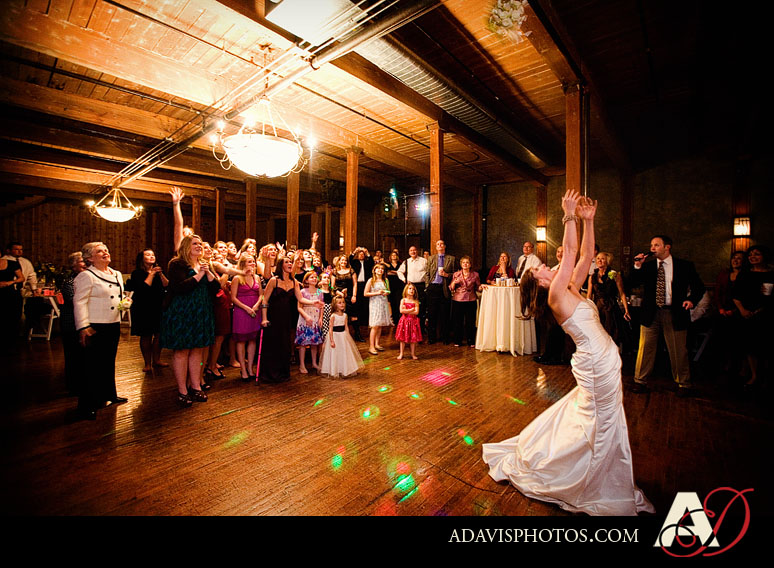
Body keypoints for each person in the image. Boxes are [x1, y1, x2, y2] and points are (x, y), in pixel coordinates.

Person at [482, 189, 654, 516]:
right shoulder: (556, 296)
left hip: (600, 361)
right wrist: (568, 215)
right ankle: (591, 479)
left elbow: (586, 257)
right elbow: (572, 250)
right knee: (600, 423)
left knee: (599, 420)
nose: (547, 267)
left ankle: (582, 466)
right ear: (542, 285)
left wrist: (589, 221)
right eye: (541, 271)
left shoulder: (570, 286)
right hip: (595, 363)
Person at [630, 235, 704, 396]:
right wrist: (637, 266)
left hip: (675, 312)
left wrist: (691, 300)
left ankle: (683, 384)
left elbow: (699, 287)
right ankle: (640, 381)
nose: (652, 248)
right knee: (645, 348)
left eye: (656, 245)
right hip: (651, 313)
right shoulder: (648, 267)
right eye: (651, 245)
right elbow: (632, 283)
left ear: (667, 247)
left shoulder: (684, 266)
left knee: (678, 350)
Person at [161, 234, 221, 407]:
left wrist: (207, 272)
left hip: (201, 310)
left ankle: (195, 385)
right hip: (183, 311)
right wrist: (199, 275)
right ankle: (182, 390)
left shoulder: (205, 264)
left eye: (200, 244)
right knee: (182, 351)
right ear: (186, 246)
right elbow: (179, 287)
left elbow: (215, 289)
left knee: (197, 349)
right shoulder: (177, 264)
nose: (199, 246)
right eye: (195, 243)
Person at [73, 242, 129, 420]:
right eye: (100, 251)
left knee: (108, 362)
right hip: (94, 326)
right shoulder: (86, 276)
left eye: (106, 250)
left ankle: (109, 394)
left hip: (112, 323)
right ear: (89, 258)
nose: (105, 253)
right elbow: (79, 302)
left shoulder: (117, 274)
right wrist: (83, 326)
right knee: (91, 366)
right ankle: (87, 405)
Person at [259, 257, 323, 383]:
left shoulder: (294, 281)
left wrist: (313, 302)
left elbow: (300, 299)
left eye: (290, 262)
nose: (290, 264)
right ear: (281, 265)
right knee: (273, 344)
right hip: (273, 317)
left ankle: (283, 373)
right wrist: (264, 318)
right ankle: (270, 374)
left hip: (286, 317)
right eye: (287, 262)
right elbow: (264, 300)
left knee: (284, 344)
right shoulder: (274, 280)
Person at [732, 245, 773, 391]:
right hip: (746, 312)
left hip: (765, 313)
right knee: (750, 345)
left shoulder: (771, 273)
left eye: (757, 254)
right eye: (750, 254)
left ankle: (766, 376)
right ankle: (754, 375)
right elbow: (735, 295)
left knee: (765, 346)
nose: (753, 257)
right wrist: (743, 310)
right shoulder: (744, 274)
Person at [127, 249, 169, 372]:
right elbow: (144, 288)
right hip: (143, 307)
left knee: (159, 334)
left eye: (153, 255)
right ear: (142, 258)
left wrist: (160, 274)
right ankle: (147, 363)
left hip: (158, 306)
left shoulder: (159, 271)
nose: (151, 256)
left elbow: (167, 285)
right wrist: (151, 274)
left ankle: (157, 360)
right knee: (146, 335)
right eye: (148, 255)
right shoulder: (137, 273)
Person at [586, 251, 631, 349]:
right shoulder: (592, 277)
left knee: (613, 334)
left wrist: (626, 310)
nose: (600, 261)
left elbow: (622, 293)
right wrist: (588, 309)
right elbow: (589, 295)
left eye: (602, 259)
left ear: (608, 261)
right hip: (598, 308)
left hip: (611, 307)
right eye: (598, 258)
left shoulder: (614, 275)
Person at [230, 254, 262, 381]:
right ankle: (243, 369)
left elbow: (261, 295)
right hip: (241, 311)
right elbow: (233, 297)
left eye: (253, 261)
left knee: (253, 340)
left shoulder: (257, 278)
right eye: (250, 262)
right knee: (241, 340)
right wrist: (246, 308)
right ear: (243, 264)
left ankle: (250, 368)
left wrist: (256, 305)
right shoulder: (237, 278)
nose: (253, 264)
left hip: (255, 310)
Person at [59, 252, 86, 394]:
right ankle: (73, 386)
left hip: (82, 322)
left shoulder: (86, 279)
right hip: (71, 323)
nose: (85, 264)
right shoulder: (69, 282)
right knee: (72, 356)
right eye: (81, 261)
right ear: (73, 265)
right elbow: (75, 302)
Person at [319, 295, 364, 378]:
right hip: (335, 336)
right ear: (335, 305)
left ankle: (344, 369)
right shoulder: (333, 316)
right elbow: (330, 329)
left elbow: (346, 326)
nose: (342, 304)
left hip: (343, 336)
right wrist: (331, 340)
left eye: (343, 302)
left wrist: (348, 337)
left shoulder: (345, 315)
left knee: (343, 352)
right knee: (335, 353)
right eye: (339, 303)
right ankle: (334, 369)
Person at [424, 239, 455, 344]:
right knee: (432, 314)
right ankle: (431, 338)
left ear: (444, 246)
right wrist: (428, 286)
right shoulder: (431, 258)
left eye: (441, 244)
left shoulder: (451, 259)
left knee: (444, 314)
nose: (440, 245)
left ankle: (445, 338)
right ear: (436, 247)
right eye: (438, 244)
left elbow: (455, 274)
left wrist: (447, 275)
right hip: (433, 288)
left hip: (444, 288)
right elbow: (427, 273)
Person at [295, 271, 324, 374]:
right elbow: (299, 307)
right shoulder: (302, 292)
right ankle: (302, 365)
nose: (314, 279)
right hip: (305, 319)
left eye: (316, 277)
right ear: (306, 280)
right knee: (303, 343)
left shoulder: (319, 292)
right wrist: (306, 317)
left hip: (315, 318)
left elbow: (321, 307)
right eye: (312, 277)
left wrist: (320, 318)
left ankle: (314, 363)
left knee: (314, 343)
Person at [449, 256, 480, 347]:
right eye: (463, 262)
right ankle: (457, 340)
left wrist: (481, 287)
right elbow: (451, 287)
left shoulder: (475, 274)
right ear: (461, 264)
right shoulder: (456, 274)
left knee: (470, 321)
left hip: (471, 299)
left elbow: (478, 287)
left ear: (470, 264)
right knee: (458, 321)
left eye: (467, 262)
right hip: (458, 299)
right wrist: (454, 282)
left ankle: (471, 340)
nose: (465, 264)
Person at [397, 245, 427, 334]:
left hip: (421, 286)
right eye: (411, 250)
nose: (413, 252)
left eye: (414, 250)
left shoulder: (424, 261)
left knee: (420, 308)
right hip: (410, 286)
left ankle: (420, 330)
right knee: (410, 306)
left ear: (417, 251)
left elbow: (429, 272)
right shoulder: (406, 262)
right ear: (409, 252)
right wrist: (404, 279)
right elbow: (399, 271)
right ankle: (409, 330)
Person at [364, 263, 391, 355]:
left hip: (383, 303)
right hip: (375, 303)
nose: (380, 270)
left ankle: (377, 344)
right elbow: (366, 293)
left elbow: (388, 290)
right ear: (374, 270)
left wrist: (386, 293)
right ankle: (371, 346)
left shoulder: (385, 280)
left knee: (380, 325)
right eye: (378, 268)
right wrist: (377, 293)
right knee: (375, 325)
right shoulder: (371, 280)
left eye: (382, 269)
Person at [0, 251, 24, 348]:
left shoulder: (12, 263)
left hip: (9, 293)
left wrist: (10, 282)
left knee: (11, 316)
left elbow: (21, 278)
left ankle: (11, 341)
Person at [395, 283, 422, 360]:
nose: (411, 290)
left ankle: (413, 354)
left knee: (413, 339)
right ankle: (401, 353)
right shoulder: (403, 300)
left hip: (413, 322)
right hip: (404, 321)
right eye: (410, 288)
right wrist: (410, 310)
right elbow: (401, 311)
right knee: (402, 339)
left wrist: (406, 311)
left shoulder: (415, 301)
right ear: (406, 290)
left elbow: (416, 312)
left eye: (413, 289)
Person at [385, 251, 403, 328]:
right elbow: (387, 273)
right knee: (392, 302)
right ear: (390, 256)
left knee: (398, 301)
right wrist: (397, 272)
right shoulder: (387, 264)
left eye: (395, 255)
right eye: (392, 255)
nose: (394, 256)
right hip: (391, 285)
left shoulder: (400, 264)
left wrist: (394, 272)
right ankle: (395, 320)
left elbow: (401, 272)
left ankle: (400, 319)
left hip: (399, 285)